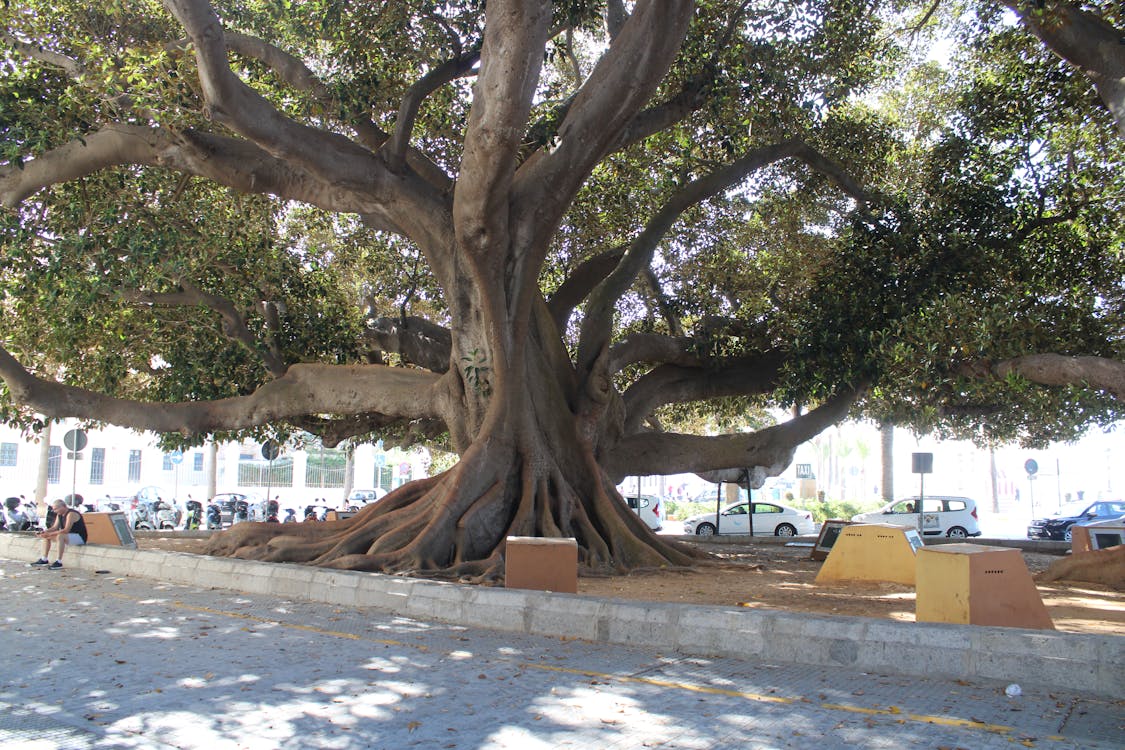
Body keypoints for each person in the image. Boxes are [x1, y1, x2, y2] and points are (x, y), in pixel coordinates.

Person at [32, 499, 87, 569]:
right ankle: (44, 559)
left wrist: (50, 534)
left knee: (60, 536)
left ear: (63, 506)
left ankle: (59, 561)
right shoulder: (59, 515)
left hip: (79, 537)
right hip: (68, 536)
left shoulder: (71, 514)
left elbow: (66, 530)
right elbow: (55, 527)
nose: (55, 511)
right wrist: (45, 532)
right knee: (46, 537)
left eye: (56, 509)